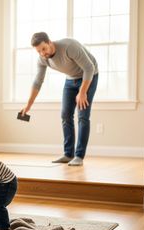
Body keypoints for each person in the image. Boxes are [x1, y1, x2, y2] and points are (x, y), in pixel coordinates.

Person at [21, 32, 99, 166]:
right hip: (71, 79)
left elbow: (89, 67)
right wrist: (28, 105)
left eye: (44, 49)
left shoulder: (69, 46)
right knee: (65, 115)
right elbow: (38, 82)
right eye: (39, 51)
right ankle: (68, 154)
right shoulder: (42, 59)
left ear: (50, 42)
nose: (42, 53)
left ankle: (79, 156)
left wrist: (82, 92)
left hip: (89, 76)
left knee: (83, 116)